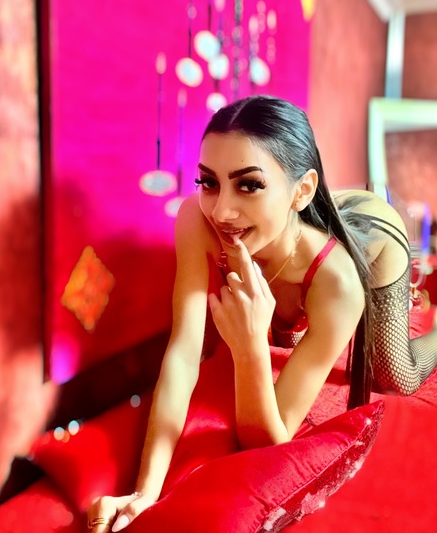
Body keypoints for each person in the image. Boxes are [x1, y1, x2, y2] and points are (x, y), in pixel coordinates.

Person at [87, 95, 437, 532]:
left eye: (248, 185)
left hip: (376, 234)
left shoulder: (339, 282)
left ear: (302, 190)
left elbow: (270, 439)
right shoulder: (197, 218)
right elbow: (184, 352)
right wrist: (146, 493)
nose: (221, 211)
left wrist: (250, 347)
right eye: (209, 182)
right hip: (303, 217)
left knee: (396, 375)